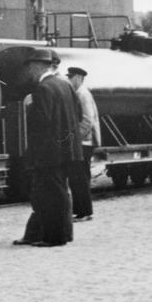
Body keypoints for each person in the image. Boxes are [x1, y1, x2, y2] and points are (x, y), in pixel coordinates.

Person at [13, 48, 80, 248]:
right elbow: (76, 112)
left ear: (37, 66)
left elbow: (42, 121)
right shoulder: (64, 84)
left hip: (48, 153)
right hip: (65, 150)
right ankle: (56, 233)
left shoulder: (42, 88)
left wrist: (29, 106)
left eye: (31, 66)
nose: (29, 71)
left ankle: (54, 237)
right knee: (56, 192)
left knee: (49, 194)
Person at [66, 67, 99, 222]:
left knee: (79, 178)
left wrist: (75, 138)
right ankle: (82, 211)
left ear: (79, 77)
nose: (69, 79)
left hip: (84, 143)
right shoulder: (79, 93)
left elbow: (87, 120)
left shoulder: (82, 94)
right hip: (83, 142)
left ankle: (84, 212)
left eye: (71, 76)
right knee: (78, 177)